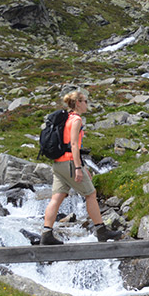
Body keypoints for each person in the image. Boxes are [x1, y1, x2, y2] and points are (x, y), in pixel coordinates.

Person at [41, 90, 123, 245]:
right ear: (78, 102)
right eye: (85, 101)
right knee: (91, 194)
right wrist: (79, 168)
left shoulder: (65, 118)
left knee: (57, 198)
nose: (87, 104)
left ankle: (46, 234)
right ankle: (101, 231)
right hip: (71, 163)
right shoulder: (76, 120)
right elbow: (73, 145)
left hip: (58, 164)